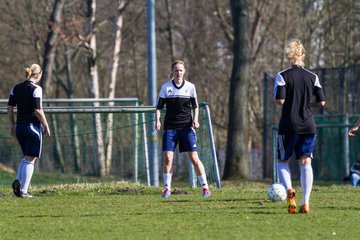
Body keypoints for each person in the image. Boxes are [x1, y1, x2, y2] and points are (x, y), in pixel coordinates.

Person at [273, 39, 325, 214]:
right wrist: (306, 103)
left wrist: (291, 101)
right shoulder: (313, 77)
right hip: (308, 125)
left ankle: (289, 190)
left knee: (282, 161)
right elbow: (322, 102)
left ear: (290, 56)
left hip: (289, 124)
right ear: (303, 55)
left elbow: (280, 100)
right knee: (305, 162)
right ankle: (306, 201)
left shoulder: (282, 75)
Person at [155, 60, 211, 198]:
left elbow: (195, 106)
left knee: (194, 158)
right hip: (170, 128)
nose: (178, 73)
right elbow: (158, 108)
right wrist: (157, 121)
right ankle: (167, 188)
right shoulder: (166, 87)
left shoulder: (190, 87)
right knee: (168, 158)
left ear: (184, 71)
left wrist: (196, 120)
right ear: (172, 72)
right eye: (176, 70)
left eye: (181, 70)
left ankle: (205, 187)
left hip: (186, 127)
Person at [8, 64, 51, 198]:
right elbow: (38, 110)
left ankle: (19, 182)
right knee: (30, 159)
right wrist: (46, 125)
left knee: (27, 157)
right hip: (32, 127)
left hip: (19, 127)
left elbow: (9, 108)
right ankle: (23, 190)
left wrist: (12, 124)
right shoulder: (36, 89)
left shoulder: (16, 87)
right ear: (38, 75)